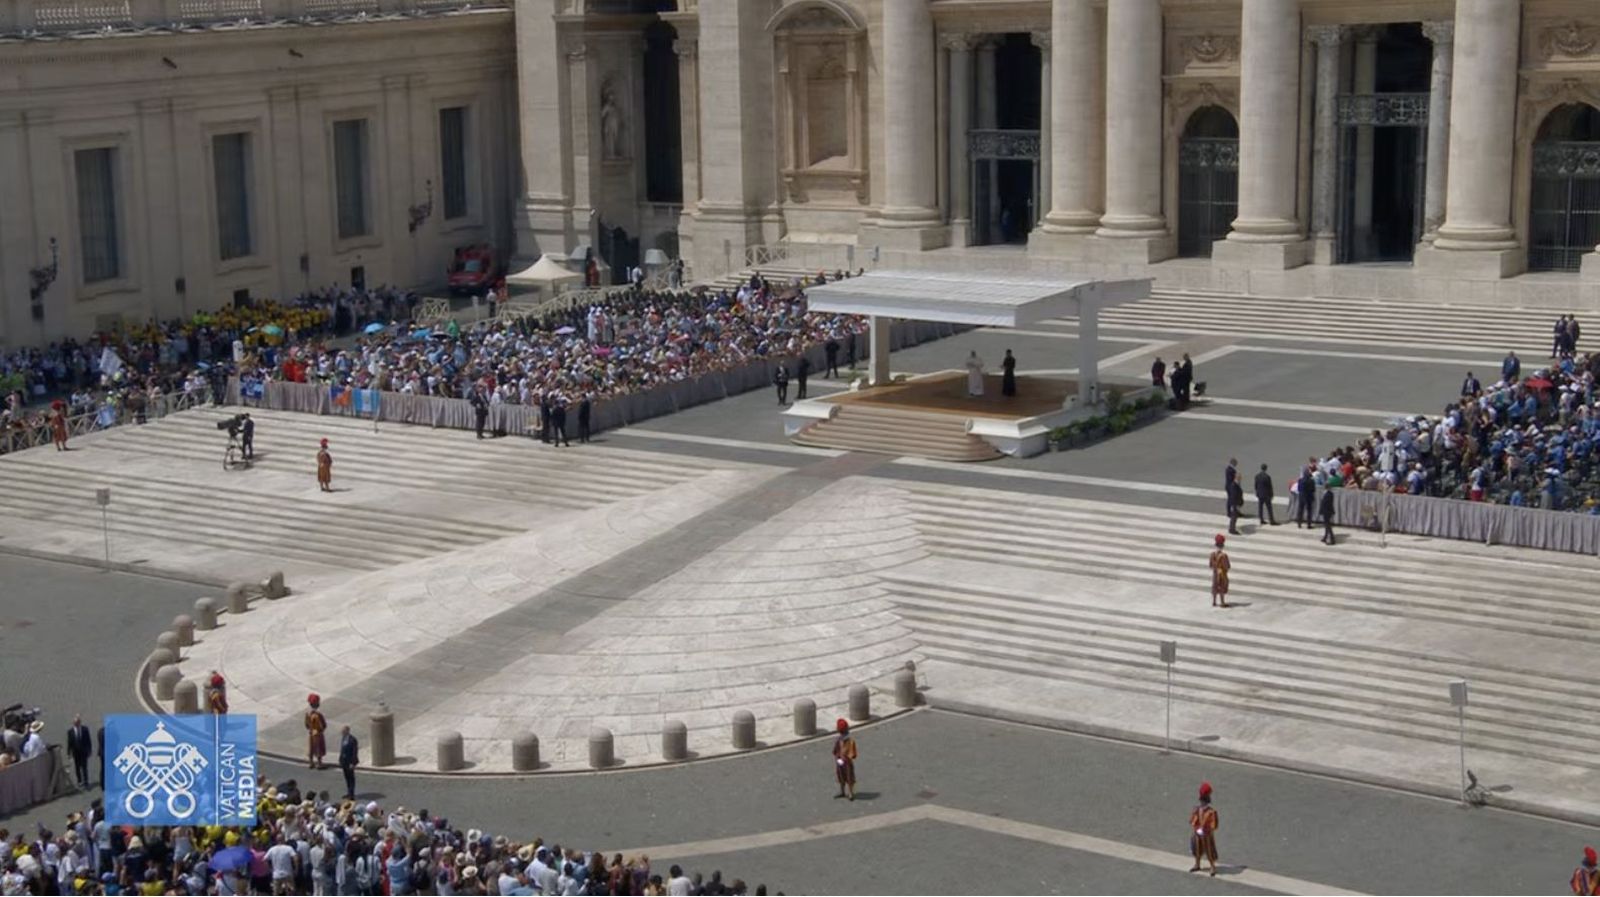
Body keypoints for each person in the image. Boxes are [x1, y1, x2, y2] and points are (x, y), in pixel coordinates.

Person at [1188, 781, 1220, 876]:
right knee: (1197, 849)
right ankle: (1197, 864)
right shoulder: (1197, 809)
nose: (1202, 803)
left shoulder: (1211, 812)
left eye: (1203, 802)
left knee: (1209, 850)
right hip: (1198, 833)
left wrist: (1207, 829)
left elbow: (1214, 825)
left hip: (1206, 835)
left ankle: (1212, 866)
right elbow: (1192, 821)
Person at [831, 719, 857, 801]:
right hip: (841, 761)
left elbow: (852, 753)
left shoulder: (849, 741)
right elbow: (835, 751)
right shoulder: (839, 740)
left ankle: (850, 793)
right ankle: (843, 791)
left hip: (846, 762)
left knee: (849, 777)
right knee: (841, 776)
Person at [66, 715, 92, 788]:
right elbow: (69, 743)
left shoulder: (85, 729)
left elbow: (88, 741)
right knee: (77, 767)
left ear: (80, 722)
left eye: (78, 722)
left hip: (83, 752)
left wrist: (89, 750)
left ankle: (86, 782)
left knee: (84, 767)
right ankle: (79, 781)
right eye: (75, 723)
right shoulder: (70, 732)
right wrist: (68, 753)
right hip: (75, 752)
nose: (77, 724)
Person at [304, 694, 327, 770]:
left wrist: (310, 728)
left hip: (311, 733)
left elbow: (306, 725)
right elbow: (324, 725)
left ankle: (311, 762)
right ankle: (319, 763)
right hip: (318, 733)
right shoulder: (318, 714)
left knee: (311, 747)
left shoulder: (308, 714)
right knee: (318, 747)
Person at [1209, 534, 1230, 609]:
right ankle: (1222, 602)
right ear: (1222, 545)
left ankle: (1214, 601)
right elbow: (1226, 566)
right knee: (1222, 586)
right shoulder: (1224, 555)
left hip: (1215, 573)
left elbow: (1210, 565)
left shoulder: (1212, 554)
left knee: (1215, 586)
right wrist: (1225, 569)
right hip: (1221, 573)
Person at [338, 726, 359, 800]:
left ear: (347, 731)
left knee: (351, 778)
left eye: (343, 731)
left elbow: (354, 752)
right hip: (344, 761)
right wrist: (340, 759)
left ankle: (352, 794)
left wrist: (352, 763)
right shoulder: (343, 739)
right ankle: (349, 792)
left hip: (350, 762)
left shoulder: (353, 740)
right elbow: (342, 749)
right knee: (346, 777)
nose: (342, 733)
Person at [1296, 464, 1316, 529]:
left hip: (1301, 496)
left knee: (1300, 510)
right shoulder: (1311, 481)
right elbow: (1313, 490)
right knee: (1309, 511)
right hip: (1308, 497)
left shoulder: (1300, 480)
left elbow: (1298, 489)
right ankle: (1308, 524)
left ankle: (1299, 523)